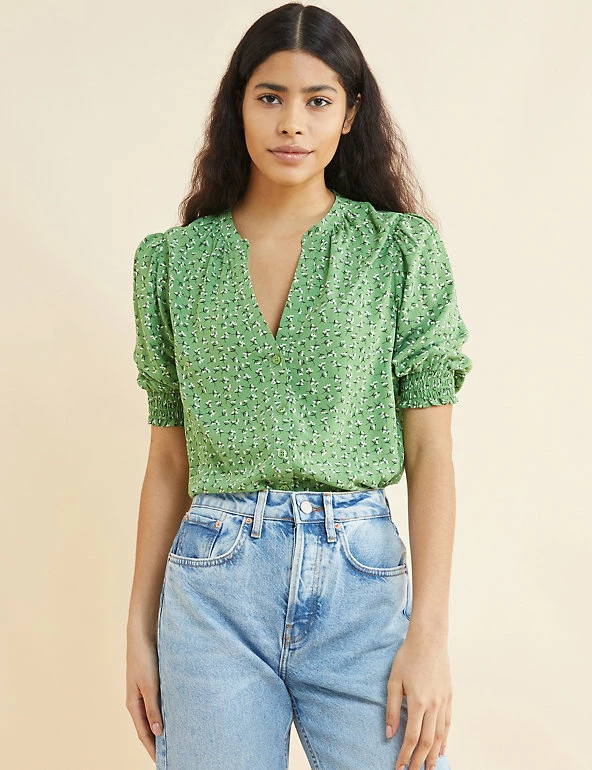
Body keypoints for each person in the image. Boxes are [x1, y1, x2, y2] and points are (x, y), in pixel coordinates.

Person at [125, 4, 472, 769]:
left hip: (361, 590)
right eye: (270, 97)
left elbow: (431, 451)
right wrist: (138, 633)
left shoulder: (398, 253)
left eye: (318, 100)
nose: (292, 123)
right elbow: (169, 462)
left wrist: (429, 636)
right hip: (212, 597)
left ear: (350, 113)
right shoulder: (173, 264)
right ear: (239, 105)